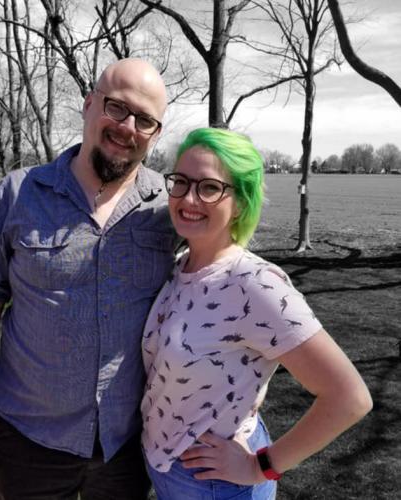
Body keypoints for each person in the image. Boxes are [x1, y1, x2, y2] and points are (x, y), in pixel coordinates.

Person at [0, 58, 177, 499]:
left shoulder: (169, 209)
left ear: (155, 133)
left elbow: (212, 282)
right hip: (27, 438)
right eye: (117, 107)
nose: (127, 127)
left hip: (127, 444)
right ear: (89, 104)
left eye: (145, 120)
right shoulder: (18, 195)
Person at [141, 128, 373, 499]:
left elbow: (349, 397)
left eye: (210, 187)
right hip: (169, 469)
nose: (188, 198)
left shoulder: (256, 284)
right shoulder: (181, 264)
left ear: (241, 202)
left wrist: (260, 466)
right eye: (181, 182)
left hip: (215, 486)